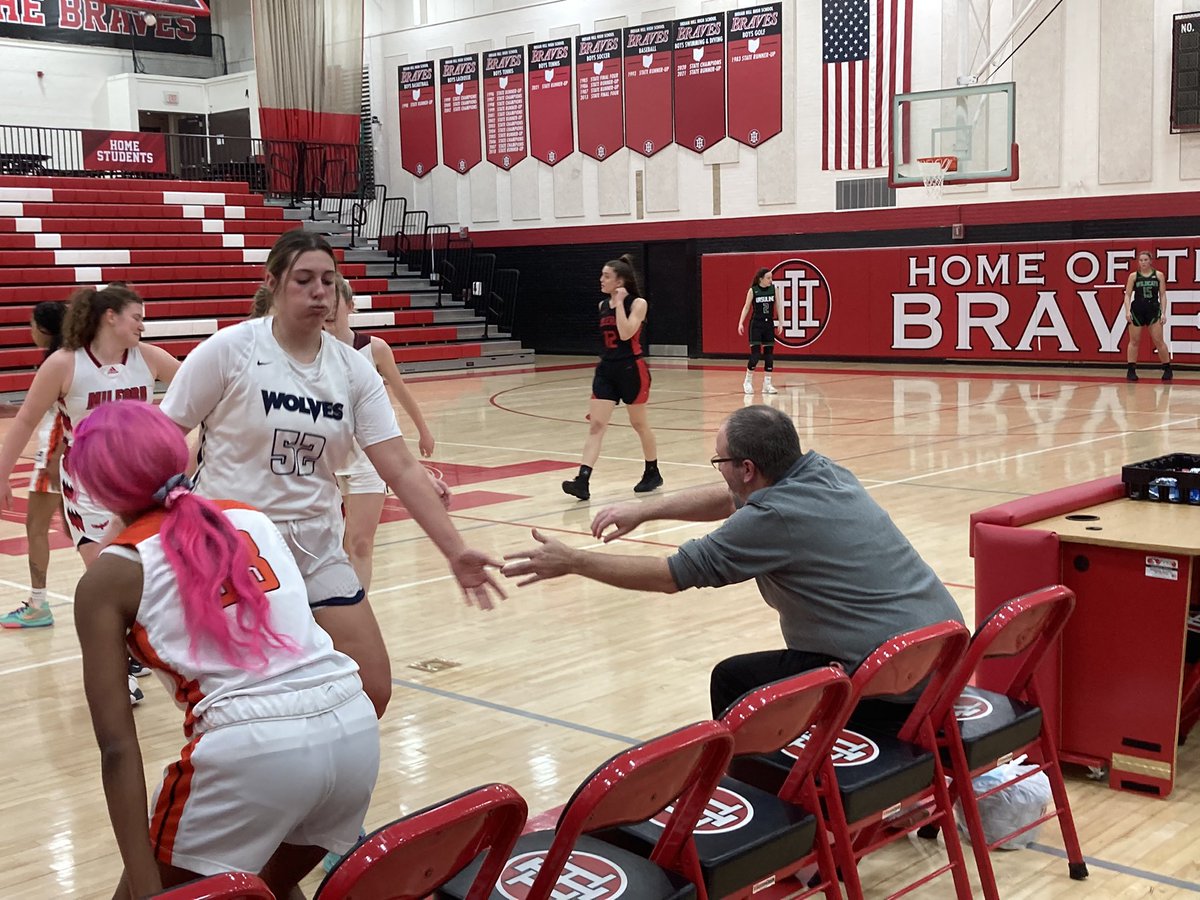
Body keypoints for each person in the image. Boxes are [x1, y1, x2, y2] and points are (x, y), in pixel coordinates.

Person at [160, 229, 504, 719]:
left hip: (316, 543)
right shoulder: (230, 350)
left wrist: (455, 549)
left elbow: (401, 467)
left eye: (328, 279)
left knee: (372, 688)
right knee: (246, 705)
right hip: (235, 546)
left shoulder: (352, 370)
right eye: (304, 280)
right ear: (274, 283)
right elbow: (163, 439)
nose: (319, 290)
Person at [70, 401, 379, 900]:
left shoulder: (111, 575)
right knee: (267, 889)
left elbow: (116, 747)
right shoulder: (252, 518)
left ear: (98, 489)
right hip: (353, 728)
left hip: (248, 749)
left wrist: (147, 888)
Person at [508, 403, 965, 729]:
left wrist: (574, 561)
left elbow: (672, 576)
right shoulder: (824, 472)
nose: (718, 470)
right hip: (943, 657)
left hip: (891, 682)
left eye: (720, 461)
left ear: (747, 467)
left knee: (734, 680)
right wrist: (646, 510)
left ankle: (768, 808)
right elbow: (732, 500)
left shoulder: (773, 519)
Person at [0, 284, 180, 704]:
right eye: (136, 315)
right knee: (105, 575)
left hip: (140, 482)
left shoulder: (148, 358)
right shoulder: (65, 363)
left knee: (152, 576)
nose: (142, 323)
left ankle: (141, 651)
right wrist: (2, 472)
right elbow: (25, 421)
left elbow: (202, 390)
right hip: (88, 485)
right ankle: (120, 671)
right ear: (110, 317)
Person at [323, 274, 436, 591]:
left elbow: (401, 391)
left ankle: (357, 609)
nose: (329, 310)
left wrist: (423, 430)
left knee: (360, 542)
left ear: (350, 306)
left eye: (336, 302)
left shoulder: (374, 349)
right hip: (324, 458)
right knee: (332, 544)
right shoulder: (311, 348)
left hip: (368, 459)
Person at [562, 255, 662, 502]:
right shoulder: (601, 305)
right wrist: (612, 303)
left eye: (606, 276)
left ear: (620, 280)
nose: (601, 279)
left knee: (639, 424)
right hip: (607, 369)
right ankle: (582, 481)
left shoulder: (638, 303)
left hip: (631, 369)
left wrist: (619, 304)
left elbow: (627, 333)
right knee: (596, 425)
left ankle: (653, 471)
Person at [1, 301, 67, 629]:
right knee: (81, 531)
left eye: (31, 325)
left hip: (55, 457)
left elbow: (27, 417)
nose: (28, 332)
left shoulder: (57, 363)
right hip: (84, 457)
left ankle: (38, 605)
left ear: (44, 329)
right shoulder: (80, 356)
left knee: (36, 528)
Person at [1124, 251, 1171, 382]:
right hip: (1137, 310)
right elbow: (1127, 295)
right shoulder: (1133, 276)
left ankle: (1167, 368)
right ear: (1138, 262)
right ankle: (1131, 369)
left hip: (1153, 310)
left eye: (1145, 260)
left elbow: (1162, 295)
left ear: (1150, 261)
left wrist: (1163, 312)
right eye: (1141, 260)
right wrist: (1127, 311)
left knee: (1158, 341)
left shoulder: (1158, 275)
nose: (1143, 262)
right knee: (1134, 341)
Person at [737, 268, 782, 395]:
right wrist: (741, 323)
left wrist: (781, 322)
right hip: (756, 324)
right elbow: (746, 307)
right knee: (756, 355)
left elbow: (778, 305)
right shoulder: (753, 290)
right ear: (761, 279)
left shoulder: (774, 290)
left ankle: (767, 384)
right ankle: (747, 381)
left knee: (769, 355)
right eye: (768, 278)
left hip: (768, 324)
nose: (771, 280)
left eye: (771, 278)